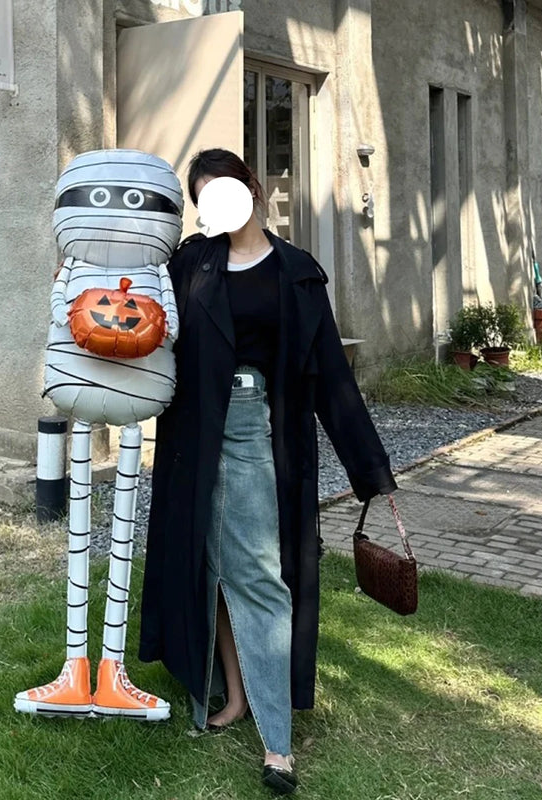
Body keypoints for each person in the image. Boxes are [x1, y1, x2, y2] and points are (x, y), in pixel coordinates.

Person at [138, 148, 397, 794]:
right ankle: (234, 693)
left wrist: (373, 474)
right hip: (195, 433)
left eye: (221, 190)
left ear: (251, 186)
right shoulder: (193, 261)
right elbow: (145, 313)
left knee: (258, 574)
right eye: (202, 199)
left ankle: (278, 746)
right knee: (209, 564)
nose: (212, 208)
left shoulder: (296, 275)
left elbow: (333, 379)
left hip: (257, 433)